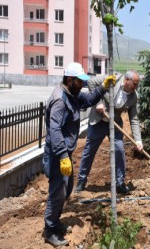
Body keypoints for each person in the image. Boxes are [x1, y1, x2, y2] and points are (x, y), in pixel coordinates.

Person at [42, 62, 115, 246]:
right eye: (79, 81)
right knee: (57, 191)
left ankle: (56, 221)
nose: (82, 84)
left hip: (65, 153)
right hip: (58, 154)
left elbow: (88, 99)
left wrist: (102, 87)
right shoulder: (60, 100)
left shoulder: (72, 95)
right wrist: (63, 156)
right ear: (69, 79)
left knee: (66, 189)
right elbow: (55, 130)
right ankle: (49, 230)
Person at [75, 70, 143, 194]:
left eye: (137, 84)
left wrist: (138, 140)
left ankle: (120, 182)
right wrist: (98, 103)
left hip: (115, 123)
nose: (136, 87)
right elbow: (91, 82)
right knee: (89, 150)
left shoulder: (134, 96)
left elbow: (134, 119)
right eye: (134, 84)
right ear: (126, 80)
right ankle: (81, 180)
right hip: (99, 121)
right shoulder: (113, 79)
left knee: (119, 150)